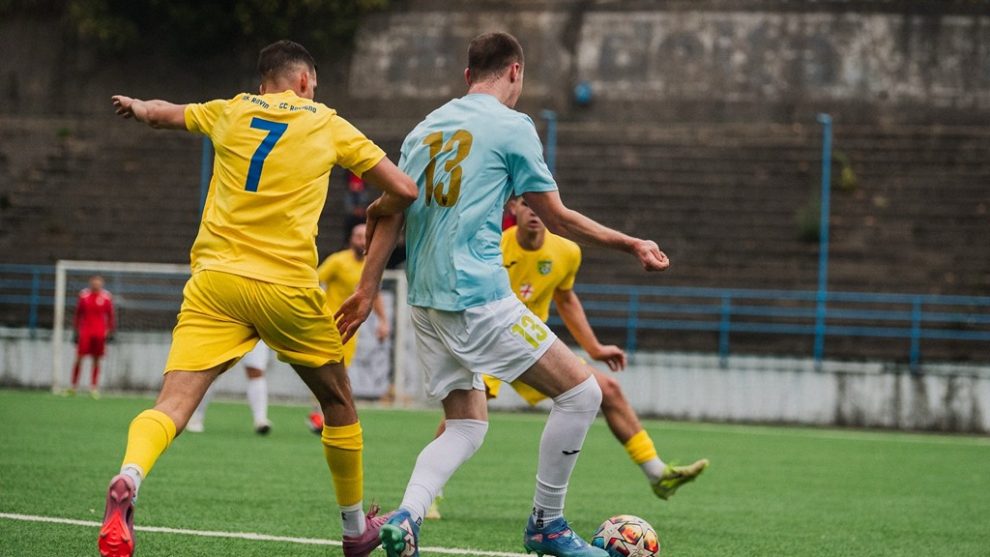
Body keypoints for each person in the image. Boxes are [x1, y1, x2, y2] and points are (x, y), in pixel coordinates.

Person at [336, 32, 670, 557]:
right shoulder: (513, 126)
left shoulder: (425, 128)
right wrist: (630, 243)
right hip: (477, 295)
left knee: (466, 423)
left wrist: (366, 288)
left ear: (468, 75)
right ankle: (547, 524)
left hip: (425, 301)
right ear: (516, 71)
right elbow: (556, 217)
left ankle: (407, 516)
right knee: (583, 394)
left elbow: (393, 212)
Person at [99, 40, 418, 557]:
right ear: (305, 82)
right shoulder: (327, 122)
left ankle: (130, 476)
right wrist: (382, 206)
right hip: (285, 286)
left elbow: (161, 114)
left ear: (262, 83)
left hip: (215, 282)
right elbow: (404, 189)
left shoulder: (230, 110)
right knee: (337, 402)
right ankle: (354, 529)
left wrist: (136, 106)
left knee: (173, 404)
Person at [426, 198, 708, 520]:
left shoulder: (567, 251)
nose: (534, 211)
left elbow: (565, 297)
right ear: (513, 208)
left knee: (608, 390)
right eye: (525, 204)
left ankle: (658, 474)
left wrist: (594, 348)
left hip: (531, 344)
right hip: (489, 341)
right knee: (467, 417)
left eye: (538, 204)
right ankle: (429, 492)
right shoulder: (494, 248)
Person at [306, 223, 390, 433]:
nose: (361, 240)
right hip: (329, 325)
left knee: (340, 373)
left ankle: (325, 416)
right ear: (351, 239)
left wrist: (383, 321)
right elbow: (314, 281)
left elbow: (374, 295)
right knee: (327, 371)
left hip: (350, 329)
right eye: (357, 236)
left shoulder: (370, 266)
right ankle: (319, 416)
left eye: (364, 236)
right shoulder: (338, 261)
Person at [185, 340, 273, 435]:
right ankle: (196, 416)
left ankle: (260, 419)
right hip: (226, 333)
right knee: (213, 371)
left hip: (255, 334)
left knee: (256, 371)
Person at [69, 275, 115, 398]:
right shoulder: (84, 296)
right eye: (94, 283)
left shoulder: (106, 297)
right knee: (79, 358)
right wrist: (76, 329)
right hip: (85, 331)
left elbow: (110, 315)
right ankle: (73, 387)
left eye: (98, 283)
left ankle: (93, 387)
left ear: (102, 284)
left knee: (96, 359)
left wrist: (110, 330)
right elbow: (78, 314)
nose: (96, 285)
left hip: (99, 332)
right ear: (90, 283)